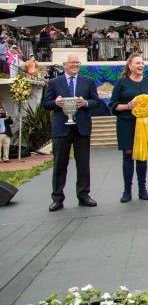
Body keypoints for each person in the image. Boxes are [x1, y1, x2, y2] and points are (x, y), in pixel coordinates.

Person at [42, 53, 100, 211]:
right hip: (61, 128)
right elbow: (45, 103)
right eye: (73, 62)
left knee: (83, 164)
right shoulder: (54, 83)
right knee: (59, 164)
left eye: (78, 63)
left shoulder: (88, 81)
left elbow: (96, 101)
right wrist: (56, 102)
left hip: (81, 128)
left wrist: (85, 102)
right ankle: (57, 198)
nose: (76, 65)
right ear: (64, 65)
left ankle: (83, 195)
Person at [109, 54, 148, 202]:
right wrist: (127, 106)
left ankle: (142, 189)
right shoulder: (121, 83)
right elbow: (113, 104)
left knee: (142, 156)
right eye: (137, 63)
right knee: (128, 155)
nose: (140, 65)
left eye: (142, 63)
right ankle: (127, 191)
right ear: (130, 65)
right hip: (126, 123)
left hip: (144, 123)